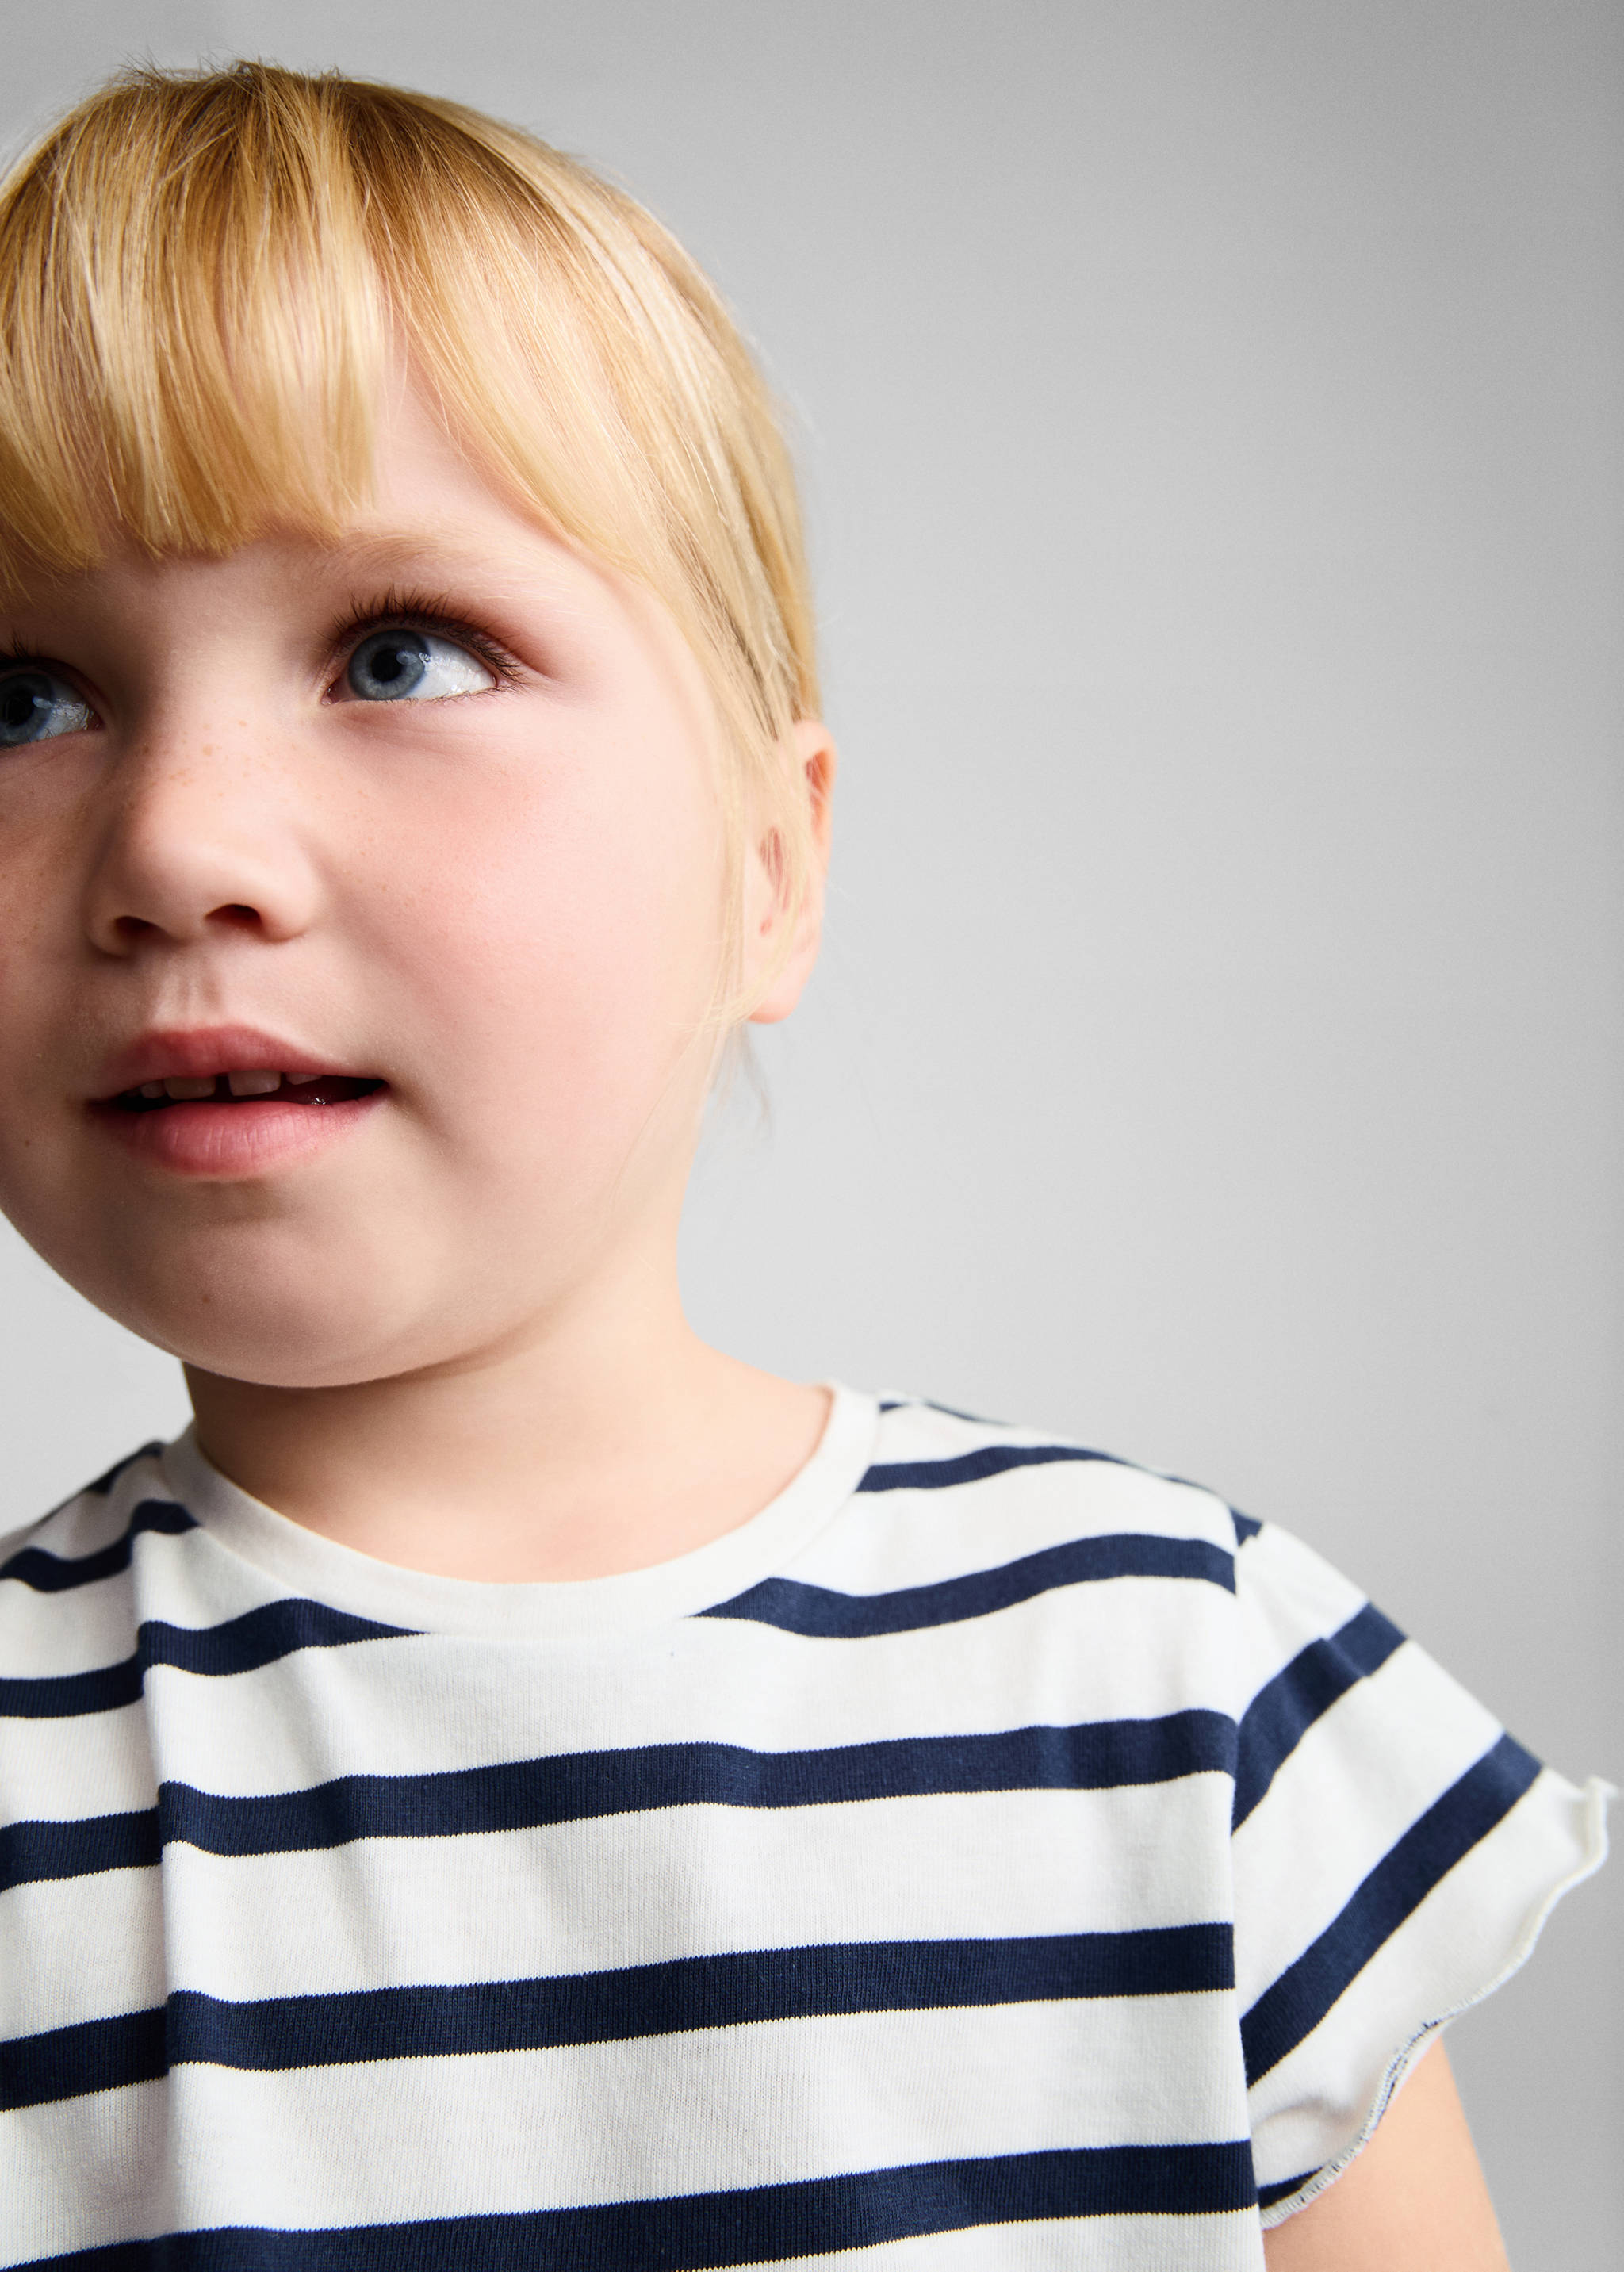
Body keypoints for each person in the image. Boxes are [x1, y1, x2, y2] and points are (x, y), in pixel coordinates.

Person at [0, 59, 1605, 2272]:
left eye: (399, 655)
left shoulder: (1174, 1680)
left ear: (770, 867)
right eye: (22, 697)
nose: (180, 843)